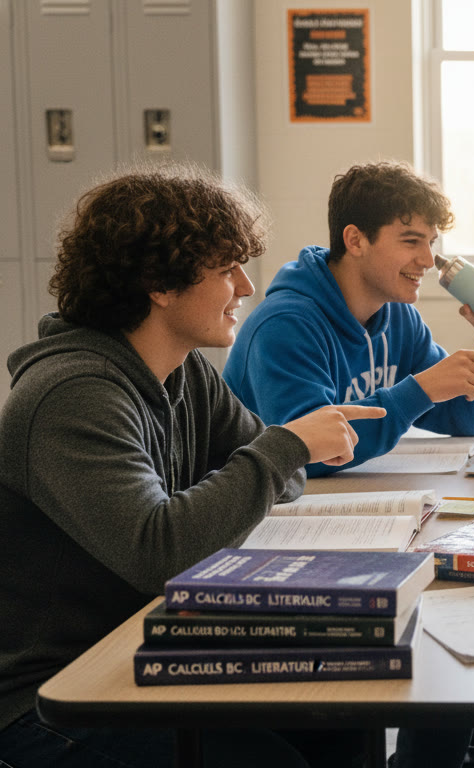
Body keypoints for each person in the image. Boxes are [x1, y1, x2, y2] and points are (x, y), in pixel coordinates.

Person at [0, 166, 386, 767]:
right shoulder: (71, 395)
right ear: (159, 281)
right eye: (227, 268)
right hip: (53, 697)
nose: (246, 287)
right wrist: (284, 445)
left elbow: (285, 481)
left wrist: (277, 455)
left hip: (152, 648)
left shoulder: (181, 371)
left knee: (338, 722)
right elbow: (162, 551)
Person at [223, 160, 474, 477]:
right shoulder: (283, 326)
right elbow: (310, 456)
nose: (428, 260)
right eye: (411, 241)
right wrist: (419, 390)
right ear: (356, 240)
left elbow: (465, 419)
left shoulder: (401, 319)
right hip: (266, 518)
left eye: (431, 243)